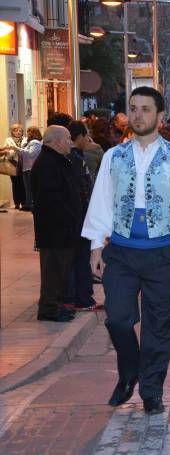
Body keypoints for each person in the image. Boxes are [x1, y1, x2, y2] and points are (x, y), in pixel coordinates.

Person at [82, 87, 170, 416]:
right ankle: (129, 370)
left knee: (158, 324)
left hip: (163, 253)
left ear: (159, 115)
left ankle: (151, 389)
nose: (138, 115)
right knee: (119, 318)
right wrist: (97, 244)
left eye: (145, 109)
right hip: (122, 252)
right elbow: (102, 201)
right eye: (134, 109)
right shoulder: (114, 156)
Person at [31, 126, 83, 322]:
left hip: (62, 230)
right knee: (53, 270)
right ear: (57, 141)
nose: (71, 142)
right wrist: (70, 217)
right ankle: (49, 308)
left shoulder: (56, 160)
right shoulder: (47, 163)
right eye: (68, 138)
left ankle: (56, 305)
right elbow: (51, 199)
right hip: (55, 231)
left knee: (61, 270)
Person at [65, 121, 102, 311]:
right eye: (85, 135)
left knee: (80, 257)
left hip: (81, 214)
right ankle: (81, 298)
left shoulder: (75, 156)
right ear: (78, 136)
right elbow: (81, 187)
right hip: (80, 215)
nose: (87, 139)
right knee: (80, 258)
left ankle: (82, 297)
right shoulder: (74, 158)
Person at [2, 123, 27, 209]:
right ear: (12, 132)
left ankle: (24, 203)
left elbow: (26, 151)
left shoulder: (25, 139)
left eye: (20, 130)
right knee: (15, 183)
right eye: (16, 130)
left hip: (23, 164)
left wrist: (17, 149)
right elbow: (6, 150)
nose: (18, 132)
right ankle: (17, 203)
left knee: (23, 183)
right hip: (13, 163)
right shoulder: (8, 140)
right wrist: (11, 152)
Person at [18, 127, 43, 211]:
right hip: (26, 167)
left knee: (31, 187)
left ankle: (31, 204)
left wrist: (17, 149)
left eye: (29, 132)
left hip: (31, 167)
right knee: (27, 187)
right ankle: (28, 203)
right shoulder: (28, 142)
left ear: (33, 133)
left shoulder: (35, 142)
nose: (27, 134)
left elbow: (31, 153)